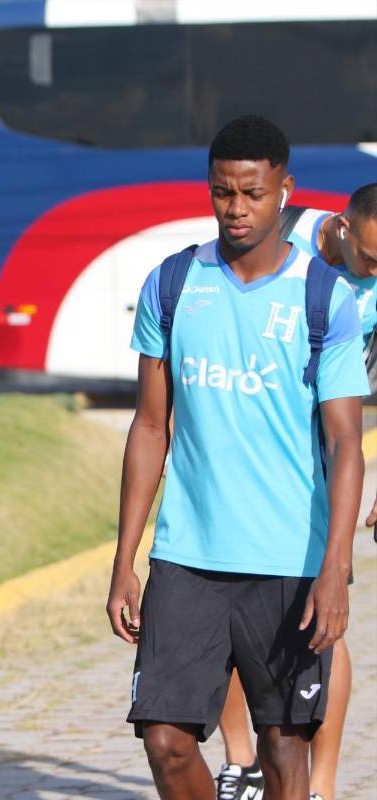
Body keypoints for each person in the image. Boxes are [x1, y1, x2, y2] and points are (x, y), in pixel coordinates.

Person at [106, 115, 366, 800]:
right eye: (224, 193)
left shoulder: (324, 298)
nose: (237, 209)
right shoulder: (172, 283)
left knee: (284, 753)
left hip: (288, 562)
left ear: (285, 189)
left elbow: (346, 443)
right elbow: (150, 427)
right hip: (188, 558)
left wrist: (335, 569)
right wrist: (124, 558)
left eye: (253, 193)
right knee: (164, 739)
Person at [214, 181, 377, 800]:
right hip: (243, 454)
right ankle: (242, 763)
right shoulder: (275, 233)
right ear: (340, 228)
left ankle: (322, 787)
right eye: (370, 260)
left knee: (323, 623)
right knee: (225, 612)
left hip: (320, 464)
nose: (375, 273)